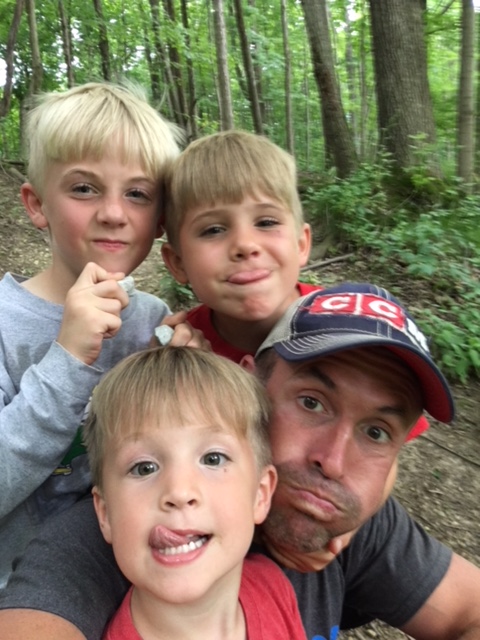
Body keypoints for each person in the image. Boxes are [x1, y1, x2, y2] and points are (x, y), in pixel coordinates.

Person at [2, 283, 479, 640]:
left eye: (376, 432)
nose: (333, 462)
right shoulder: (112, 538)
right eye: (312, 402)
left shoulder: (340, 525)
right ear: (252, 389)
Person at [0, 81, 197, 588]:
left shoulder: (153, 320)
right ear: (37, 204)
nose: (113, 212)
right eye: (84, 189)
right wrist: (67, 359)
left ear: (159, 219)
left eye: (137, 194)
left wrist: (174, 377)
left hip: (129, 589)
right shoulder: (4, 323)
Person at [159, 130, 428, 440]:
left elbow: (385, 450)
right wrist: (168, 375)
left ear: (301, 244)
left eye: (266, 222)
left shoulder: (353, 329)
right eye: (213, 230)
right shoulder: (184, 350)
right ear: (178, 263)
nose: (245, 244)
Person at [83, 345, 306, 639]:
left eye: (213, 459)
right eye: (144, 468)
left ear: (260, 494)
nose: (179, 491)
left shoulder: (273, 586)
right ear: (105, 514)